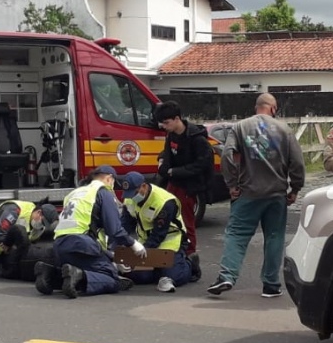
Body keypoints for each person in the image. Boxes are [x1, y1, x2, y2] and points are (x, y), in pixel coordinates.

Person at [206, 94, 305, 298]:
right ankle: (271, 284)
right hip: (276, 194)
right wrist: (295, 189)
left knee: (236, 235)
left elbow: (226, 155)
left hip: (248, 193)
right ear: (274, 108)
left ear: (256, 107)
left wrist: (232, 184)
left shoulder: (241, 127)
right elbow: (297, 162)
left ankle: (227, 275)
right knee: (274, 237)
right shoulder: (284, 130)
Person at [35, 165, 145, 298]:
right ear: (109, 178)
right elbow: (114, 230)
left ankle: (49, 274)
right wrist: (133, 244)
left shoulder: (74, 193)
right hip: (81, 244)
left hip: (60, 245)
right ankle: (80, 275)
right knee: (112, 278)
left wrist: (112, 258)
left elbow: (85, 227)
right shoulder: (103, 192)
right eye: (114, 182)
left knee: (71, 273)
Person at [116, 171, 200, 293]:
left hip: (170, 241)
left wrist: (142, 250)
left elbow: (159, 234)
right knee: (139, 276)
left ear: (144, 186)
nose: (132, 198)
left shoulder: (164, 202)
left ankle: (190, 264)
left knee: (173, 277)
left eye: (134, 193)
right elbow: (126, 224)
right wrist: (122, 245)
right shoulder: (129, 200)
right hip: (145, 240)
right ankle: (158, 268)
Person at [153, 100, 213, 258]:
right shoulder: (171, 134)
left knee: (187, 222)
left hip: (189, 186)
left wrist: (175, 171)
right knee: (169, 218)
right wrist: (162, 162)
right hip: (173, 184)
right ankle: (173, 249)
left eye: (166, 122)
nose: (164, 127)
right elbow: (167, 152)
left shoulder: (197, 138)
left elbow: (202, 164)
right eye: (162, 123)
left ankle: (190, 254)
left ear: (177, 119)